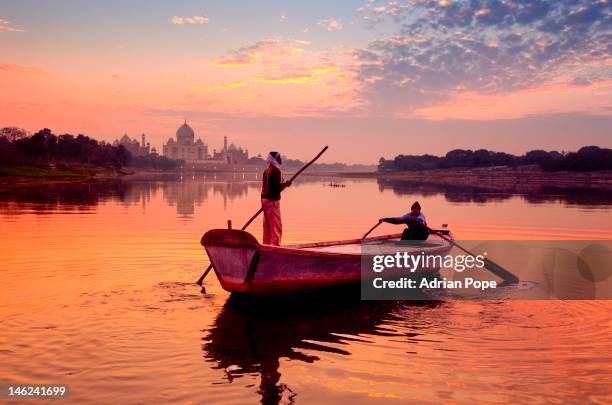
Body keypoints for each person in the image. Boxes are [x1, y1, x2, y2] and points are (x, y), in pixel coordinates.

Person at [261, 151, 291, 245]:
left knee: (268, 227)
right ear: (274, 159)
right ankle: (275, 247)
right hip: (272, 201)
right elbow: (275, 188)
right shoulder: (275, 170)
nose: (281, 159)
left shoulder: (267, 170)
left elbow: (269, 187)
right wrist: (285, 185)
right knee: (276, 227)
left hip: (265, 201)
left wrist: (284, 185)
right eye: (279, 158)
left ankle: (266, 245)